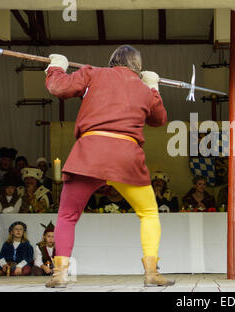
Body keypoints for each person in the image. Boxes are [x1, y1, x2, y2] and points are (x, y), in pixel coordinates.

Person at [43, 45, 174, 287]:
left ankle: (59, 274)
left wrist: (56, 67)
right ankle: (151, 273)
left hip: (90, 155)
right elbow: (159, 119)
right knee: (148, 214)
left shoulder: (93, 73)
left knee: (67, 216)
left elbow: (57, 87)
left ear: (112, 62)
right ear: (139, 68)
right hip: (127, 158)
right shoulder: (143, 89)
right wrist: (153, 87)